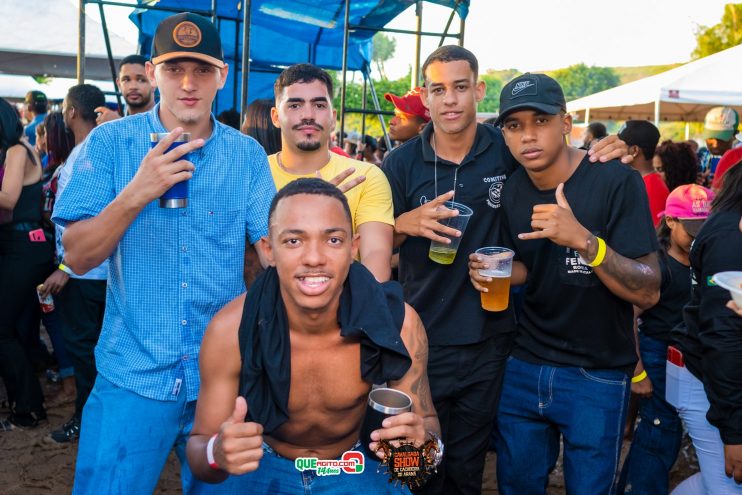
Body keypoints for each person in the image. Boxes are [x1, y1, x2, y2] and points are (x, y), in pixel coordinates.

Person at [382, 46, 630, 494]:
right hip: (420, 340)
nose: (451, 99)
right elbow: (374, 247)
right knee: (411, 467)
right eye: (439, 90)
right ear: (426, 97)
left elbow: (559, 157)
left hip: (490, 341)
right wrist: (403, 225)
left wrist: (603, 151)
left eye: (461, 87)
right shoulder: (400, 164)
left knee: (466, 468)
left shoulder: (507, 147)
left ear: (478, 91)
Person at [52, 12, 275, 492]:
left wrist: (321, 233)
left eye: (202, 70)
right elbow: (78, 255)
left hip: (222, 378)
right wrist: (138, 191)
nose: (188, 84)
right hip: (133, 376)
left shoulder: (246, 156)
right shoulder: (111, 144)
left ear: (223, 76)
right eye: (174, 69)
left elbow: (270, 251)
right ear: (153, 74)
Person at [186, 178, 441, 493]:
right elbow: (199, 451)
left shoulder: (397, 323)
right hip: (260, 460)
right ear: (269, 251)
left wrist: (418, 452)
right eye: (294, 241)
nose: (314, 258)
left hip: (357, 462)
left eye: (333, 240)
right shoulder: (231, 328)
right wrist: (218, 453)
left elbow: (420, 457)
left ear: (353, 248)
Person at [469, 73, 660, 494]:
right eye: (514, 126)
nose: (528, 136)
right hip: (524, 364)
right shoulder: (514, 189)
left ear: (566, 123)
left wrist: (585, 241)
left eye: (540, 120)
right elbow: (531, 267)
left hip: (597, 374)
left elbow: (649, 289)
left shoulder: (614, 180)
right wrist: (491, 272)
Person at [618, 184, 714, 494]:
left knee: (661, 428)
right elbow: (628, 318)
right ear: (670, 221)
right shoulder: (658, 266)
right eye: (691, 230)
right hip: (658, 353)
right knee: (661, 427)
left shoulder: (705, 261)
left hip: (689, 357)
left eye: (704, 229)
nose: (697, 237)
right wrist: (638, 372)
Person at [268, 63, 394, 282]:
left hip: (348, 309)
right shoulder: (254, 174)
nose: (308, 115)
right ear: (276, 116)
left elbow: (376, 261)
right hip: (270, 309)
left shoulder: (364, 177)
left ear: (333, 116)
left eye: (319, 105)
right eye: (295, 105)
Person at [43, 84, 110, 444]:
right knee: (93, 352)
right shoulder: (92, 150)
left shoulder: (89, 154)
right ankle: (94, 418)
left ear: (71, 112)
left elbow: (88, 219)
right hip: (93, 271)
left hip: (86, 273)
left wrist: (65, 268)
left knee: (85, 353)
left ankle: (87, 421)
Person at [669, 162, 742, 494]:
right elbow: (722, 336)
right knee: (729, 486)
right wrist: (735, 431)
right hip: (705, 377)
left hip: (713, 374)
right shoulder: (731, 236)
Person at [0, 97, 49, 431]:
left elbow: (7, 201)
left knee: (2, 330)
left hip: (24, 246)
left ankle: (28, 407)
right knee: (15, 328)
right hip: (18, 246)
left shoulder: (18, 151)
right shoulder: (15, 150)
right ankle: (25, 402)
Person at [619, 120, 667, 227]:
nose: (615, 149)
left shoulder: (651, 187)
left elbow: (654, 235)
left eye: (620, 145)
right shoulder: (642, 181)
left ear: (634, 150)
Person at [95, 54, 156, 125]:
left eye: (141, 80)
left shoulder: (165, 119)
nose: (133, 87)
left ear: (153, 81)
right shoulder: (111, 119)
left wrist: (119, 124)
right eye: (126, 80)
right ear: (119, 84)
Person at [697, 106, 739, 184]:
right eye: (710, 138)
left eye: (721, 138)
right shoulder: (701, 158)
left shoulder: (739, 161)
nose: (715, 144)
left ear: (735, 135)